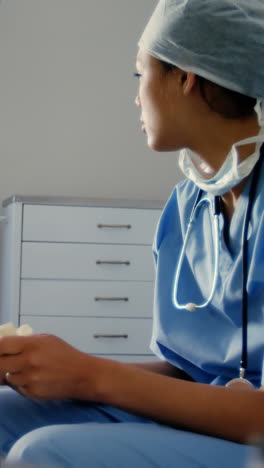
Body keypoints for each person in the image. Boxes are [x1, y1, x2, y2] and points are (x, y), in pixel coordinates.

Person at [0, 0, 264, 466]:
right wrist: (49, 367)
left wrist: (91, 375)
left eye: (139, 74)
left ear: (186, 77)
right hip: (203, 419)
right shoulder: (186, 206)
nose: (136, 96)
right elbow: (189, 372)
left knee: (42, 454)